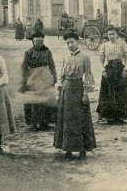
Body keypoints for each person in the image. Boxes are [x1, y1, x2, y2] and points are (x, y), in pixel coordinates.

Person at [54, 30, 97, 159]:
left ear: (78, 42)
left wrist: (85, 93)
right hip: (66, 90)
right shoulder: (65, 57)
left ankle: (82, 148)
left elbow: (88, 76)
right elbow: (61, 76)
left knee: (79, 119)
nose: (70, 45)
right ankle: (67, 149)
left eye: (72, 42)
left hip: (78, 88)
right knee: (67, 119)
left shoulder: (85, 57)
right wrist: (58, 91)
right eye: (67, 43)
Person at [20, 32, 58, 131]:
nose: (39, 44)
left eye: (41, 42)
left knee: (46, 99)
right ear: (33, 42)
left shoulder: (47, 51)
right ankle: (34, 124)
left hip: (45, 76)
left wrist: (54, 76)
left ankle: (44, 123)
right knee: (34, 100)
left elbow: (52, 65)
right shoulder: (28, 52)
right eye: (37, 42)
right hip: (33, 77)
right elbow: (24, 67)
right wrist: (23, 81)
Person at [96, 26, 127, 124]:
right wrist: (103, 70)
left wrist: (126, 70)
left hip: (120, 70)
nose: (111, 36)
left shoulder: (122, 44)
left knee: (120, 92)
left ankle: (120, 117)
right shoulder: (104, 45)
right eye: (109, 34)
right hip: (109, 70)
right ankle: (109, 117)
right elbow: (100, 60)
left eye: (113, 34)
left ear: (117, 35)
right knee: (108, 92)